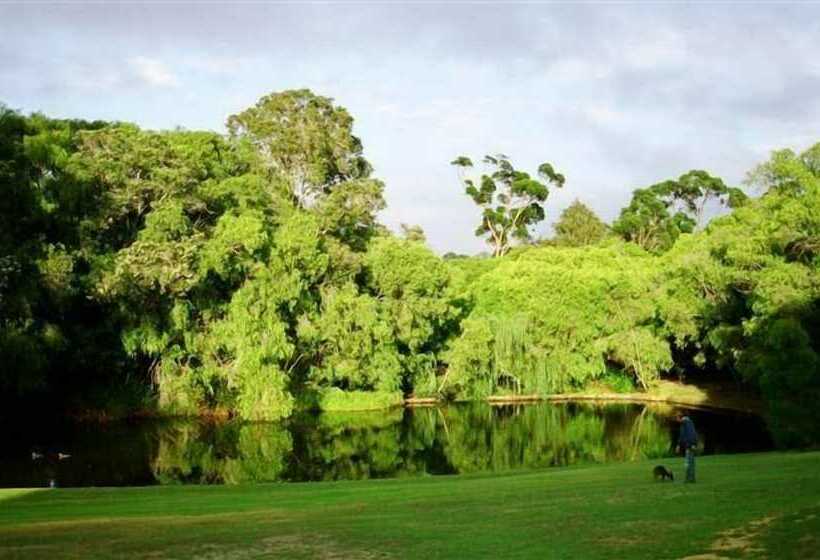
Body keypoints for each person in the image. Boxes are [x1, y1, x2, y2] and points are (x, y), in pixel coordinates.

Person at [675, 412, 698, 483]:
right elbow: (682, 436)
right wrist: (678, 445)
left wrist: (692, 444)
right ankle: (690, 479)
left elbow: (692, 434)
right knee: (689, 462)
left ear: (680, 417)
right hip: (688, 445)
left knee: (689, 462)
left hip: (690, 445)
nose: (676, 420)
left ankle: (690, 479)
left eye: (677, 418)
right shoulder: (684, 423)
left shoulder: (687, 423)